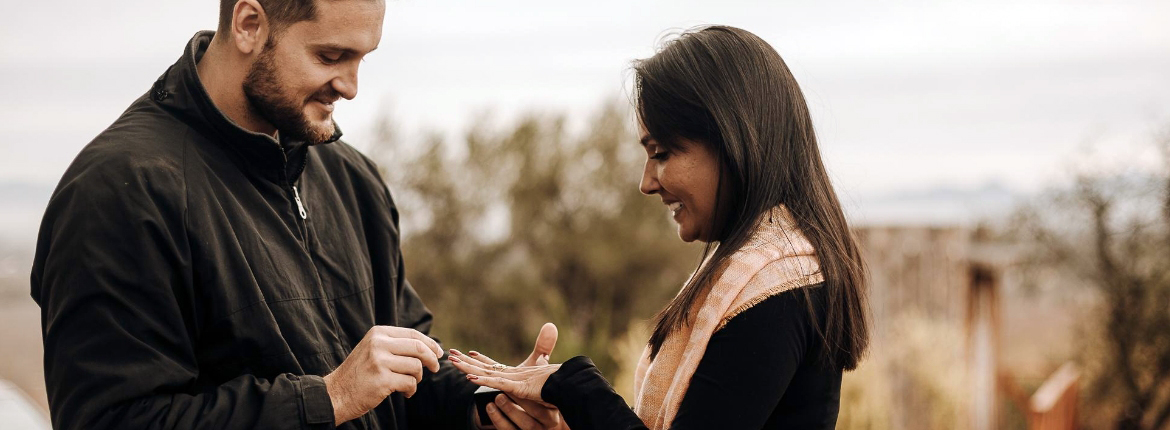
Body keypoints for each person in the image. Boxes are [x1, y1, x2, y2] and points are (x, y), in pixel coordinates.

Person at [29, 0, 561, 428]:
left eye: (362, 59)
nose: (351, 87)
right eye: (331, 57)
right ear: (249, 24)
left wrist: (487, 407)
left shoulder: (353, 179)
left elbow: (408, 370)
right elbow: (112, 418)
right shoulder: (120, 191)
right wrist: (327, 398)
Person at [449, 25, 872, 430]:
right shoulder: (766, 278)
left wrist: (573, 386)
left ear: (733, 143)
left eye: (663, 152)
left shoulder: (777, 291)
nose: (647, 182)